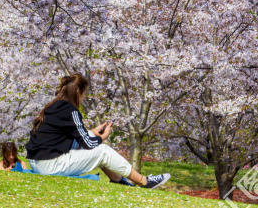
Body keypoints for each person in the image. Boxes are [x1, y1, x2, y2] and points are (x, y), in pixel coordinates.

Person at [25, 73, 171, 189]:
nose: (83, 98)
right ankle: (144, 181)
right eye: (83, 94)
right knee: (102, 151)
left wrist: (92, 133)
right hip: (50, 166)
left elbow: (67, 136)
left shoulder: (53, 106)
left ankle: (117, 180)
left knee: (95, 152)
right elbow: (88, 144)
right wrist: (103, 137)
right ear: (77, 92)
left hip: (37, 163)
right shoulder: (71, 110)